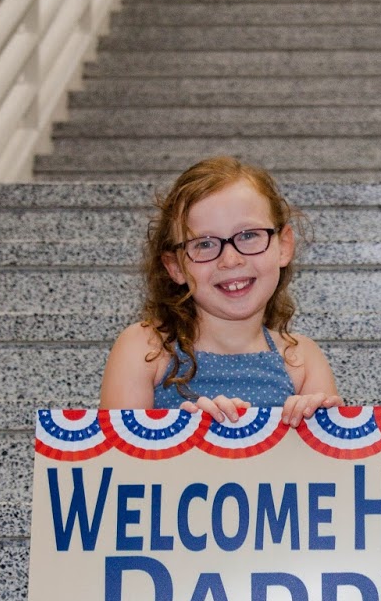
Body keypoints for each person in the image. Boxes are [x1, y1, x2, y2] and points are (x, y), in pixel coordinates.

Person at [101, 156, 340, 425]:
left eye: (248, 235)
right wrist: (189, 433)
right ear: (175, 266)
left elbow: (326, 452)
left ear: (284, 246)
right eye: (204, 244)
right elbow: (116, 449)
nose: (230, 259)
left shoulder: (302, 359)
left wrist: (319, 426)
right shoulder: (146, 348)